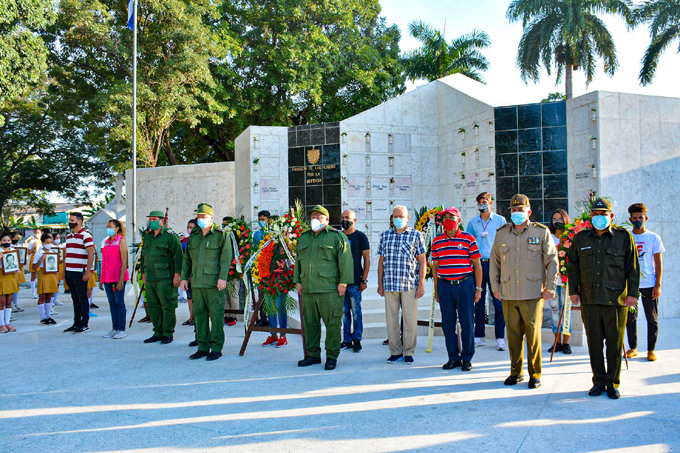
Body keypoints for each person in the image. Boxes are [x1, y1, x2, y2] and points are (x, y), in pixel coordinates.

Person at [568, 197, 639, 399]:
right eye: (596, 214)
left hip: (616, 300)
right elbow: (573, 267)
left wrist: (633, 294)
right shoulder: (581, 239)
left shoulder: (623, 237)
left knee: (615, 345)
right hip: (590, 300)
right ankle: (598, 382)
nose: (599, 217)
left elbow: (632, 268)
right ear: (591, 216)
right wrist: (574, 291)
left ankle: (612, 383)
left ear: (611, 216)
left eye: (603, 214)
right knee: (595, 344)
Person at [490, 194, 558, 389]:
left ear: (529, 212)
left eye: (520, 210)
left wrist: (551, 287)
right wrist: (495, 287)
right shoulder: (502, 233)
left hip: (533, 293)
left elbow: (552, 261)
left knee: (533, 336)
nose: (516, 213)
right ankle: (515, 372)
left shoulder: (541, 232)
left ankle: (534, 374)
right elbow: (495, 263)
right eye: (513, 210)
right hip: (508, 293)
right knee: (513, 335)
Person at [294, 205, 353, 370]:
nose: (315, 219)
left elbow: (346, 261)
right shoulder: (304, 238)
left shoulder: (337, 237)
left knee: (333, 324)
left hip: (330, 290)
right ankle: (312, 355)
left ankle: (331, 356)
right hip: (308, 288)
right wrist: (298, 281)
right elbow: (299, 260)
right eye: (313, 216)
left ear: (327, 220)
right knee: (310, 324)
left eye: (319, 217)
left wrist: (343, 283)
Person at [432, 207, 483, 371]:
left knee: (467, 322)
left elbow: (477, 264)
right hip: (445, 285)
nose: (448, 219)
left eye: (451, 217)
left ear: (459, 220)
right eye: (445, 217)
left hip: (465, 285)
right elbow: (435, 265)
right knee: (448, 324)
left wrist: (478, 288)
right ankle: (453, 357)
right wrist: (436, 289)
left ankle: (467, 358)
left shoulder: (469, 238)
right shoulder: (437, 241)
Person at [181, 203, 234, 361]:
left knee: (216, 316)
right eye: (198, 216)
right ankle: (203, 347)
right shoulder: (194, 236)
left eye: (203, 216)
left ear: (211, 218)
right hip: (197, 284)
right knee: (199, 316)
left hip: (214, 284)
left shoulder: (220, 235)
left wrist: (222, 278)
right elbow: (187, 259)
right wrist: (184, 277)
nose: (200, 219)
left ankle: (216, 348)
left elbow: (226, 258)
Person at [378, 205, 426, 365]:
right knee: (391, 321)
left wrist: (421, 285)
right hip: (390, 284)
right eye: (395, 216)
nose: (398, 219)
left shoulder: (416, 235)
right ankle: (395, 352)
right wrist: (380, 283)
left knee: (410, 320)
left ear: (407, 218)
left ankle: (409, 352)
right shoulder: (385, 235)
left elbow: (422, 260)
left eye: (401, 216)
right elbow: (381, 261)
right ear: (392, 218)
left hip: (409, 284)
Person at [466, 192, 507, 350]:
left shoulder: (499, 220)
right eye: (479, 203)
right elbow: (469, 243)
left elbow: (504, 240)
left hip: (495, 264)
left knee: (498, 302)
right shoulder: (473, 222)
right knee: (479, 301)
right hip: (478, 264)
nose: (482, 205)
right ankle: (479, 336)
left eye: (485, 202)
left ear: (490, 203)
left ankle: (500, 338)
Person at [624, 203, 664, 362]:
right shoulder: (626, 237)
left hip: (649, 284)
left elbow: (658, 263)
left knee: (652, 318)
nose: (638, 220)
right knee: (630, 318)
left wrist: (658, 285)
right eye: (634, 218)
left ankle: (651, 350)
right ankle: (633, 348)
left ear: (645, 218)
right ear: (630, 219)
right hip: (631, 285)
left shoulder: (653, 238)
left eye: (640, 218)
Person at [139, 210, 183, 345]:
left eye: (154, 219)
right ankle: (157, 332)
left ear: (162, 221)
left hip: (165, 278)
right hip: (151, 277)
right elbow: (144, 257)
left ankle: (168, 333)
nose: (151, 221)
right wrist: (143, 274)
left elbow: (178, 257)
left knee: (167, 306)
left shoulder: (170, 236)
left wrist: (177, 275)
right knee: (153, 306)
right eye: (150, 219)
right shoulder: (148, 236)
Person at [340, 209, 370, 353]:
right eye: (343, 217)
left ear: (355, 220)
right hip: (341, 283)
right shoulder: (338, 236)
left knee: (356, 311)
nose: (345, 220)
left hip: (355, 281)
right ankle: (346, 339)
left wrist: (364, 280)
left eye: (348, 217)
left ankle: (357, 338)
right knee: (345, 312)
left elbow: (367, 259)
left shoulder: (360, 237)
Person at [63, 212, 95, 334]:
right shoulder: (68, 236)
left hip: (79, 272)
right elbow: (67, 254)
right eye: (69, 220)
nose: (70, 222)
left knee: (82, 298)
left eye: (72, 220)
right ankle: (76, 322)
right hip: (70, 271)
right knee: (74, 297)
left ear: (79, 221)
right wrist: (64, 271)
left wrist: (87, 271)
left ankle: (84, 323)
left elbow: (91, 254)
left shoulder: (86, 236)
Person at [100, 219, 129, 339]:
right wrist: (101, 280)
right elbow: (104, 262)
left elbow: (124, 262)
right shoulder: (106, 242)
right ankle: (115, 328)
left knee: (119, 302)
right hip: (108, 277)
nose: (109, 228)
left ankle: (121, 329)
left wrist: (121, 280)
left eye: (111, 226)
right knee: (112, 302)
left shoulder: (121, 241)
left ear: (117, 228)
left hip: (118, 276)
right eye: (108, 226)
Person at [548, 209, 573, 354]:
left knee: (566, 311)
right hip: (552, 280)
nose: (557, 222)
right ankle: (556, 342)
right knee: (554, 311)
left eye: (560, 219)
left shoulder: (569, 237)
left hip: (566, 281)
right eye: (554, 219)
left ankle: (566, 342)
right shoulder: (549, 237)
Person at [262, 245, 292, 348]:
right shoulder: (264, 239)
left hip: (282, 276)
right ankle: (273, 334)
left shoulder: (284, 238)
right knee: (270, 307)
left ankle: (283, 335)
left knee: (280, 307)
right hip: (267, 275)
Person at [34, 233, 59, 325]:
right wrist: (41, 259)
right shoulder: (39, 253)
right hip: (43, 275)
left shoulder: (52, 253)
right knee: (42, 296)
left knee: (49, 295)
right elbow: (34, 267)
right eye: (47, 242)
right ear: (43, 243)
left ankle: (48, 316)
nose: (49, 244)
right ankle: (42, 318)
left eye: (50, 242)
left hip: (51, 275)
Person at [253, 210, 271, 327]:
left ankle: (272, 318)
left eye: (263, 219)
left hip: (271, 268)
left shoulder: (273, 232)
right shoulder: (257, 234)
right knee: (261, 294)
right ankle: (263, 318)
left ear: (268, 220)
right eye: (260, 219)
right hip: (259, 268)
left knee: (270, 294)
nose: (261, 222)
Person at [0, 231, 19, 333]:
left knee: (9, 301)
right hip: (1, 277)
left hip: (11, 277)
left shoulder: (13, 251)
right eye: (4, 240)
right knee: (1, 301)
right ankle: (1, 323)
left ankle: (7, 322)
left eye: (8, 240)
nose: (6, 242)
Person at [182, 219, 197, 326]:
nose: (189, 229)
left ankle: (196, 318)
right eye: (188, 227)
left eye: (192, 227)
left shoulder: (198, 240)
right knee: (189, 296)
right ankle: (191, 317)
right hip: (188, 272)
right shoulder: (185, 240)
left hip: (196, 272)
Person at [10, 231, 25, 313]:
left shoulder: (19, 246)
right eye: (14, 238)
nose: (16, 239)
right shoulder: (9, 248)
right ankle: (10, 304)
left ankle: (15, 303)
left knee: (16, 287)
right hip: (10, 270)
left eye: (17, 238)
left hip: (18, 268)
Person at [27, 228, 43, 299]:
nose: (37, 234)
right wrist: (34, 246)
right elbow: (28, 252)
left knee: (41, 274)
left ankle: (40, 291)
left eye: (38, 232)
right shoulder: (32, 241)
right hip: (34, 257)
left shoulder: (42, 241)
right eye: (36, 232)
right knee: (33, 275)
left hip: (41, 258)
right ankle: (33, 292)